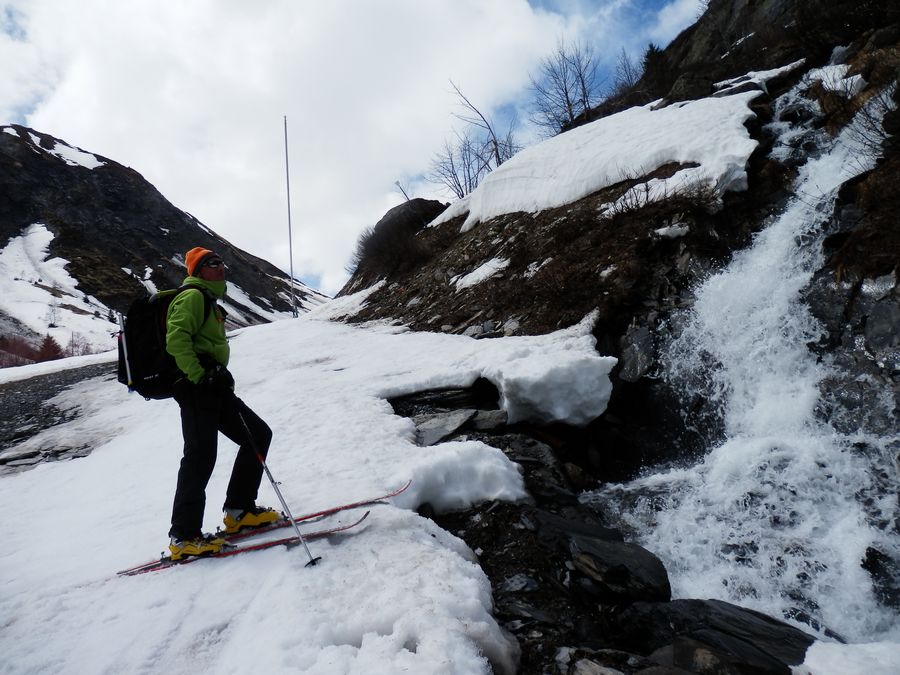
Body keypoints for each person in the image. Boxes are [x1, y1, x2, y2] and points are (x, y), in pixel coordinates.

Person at [165, 246, 280, 560]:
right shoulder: (192, 297)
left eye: (221, 262)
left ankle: (239, 511)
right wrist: (200, 375)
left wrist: (215, 376)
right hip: (196, 388)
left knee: (257, 434)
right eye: (213, 263)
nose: (221, 267)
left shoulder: (208, 300)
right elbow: (176, 340)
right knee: (200, 457)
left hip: (212, 387)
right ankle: (184, 536)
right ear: (199, 271)